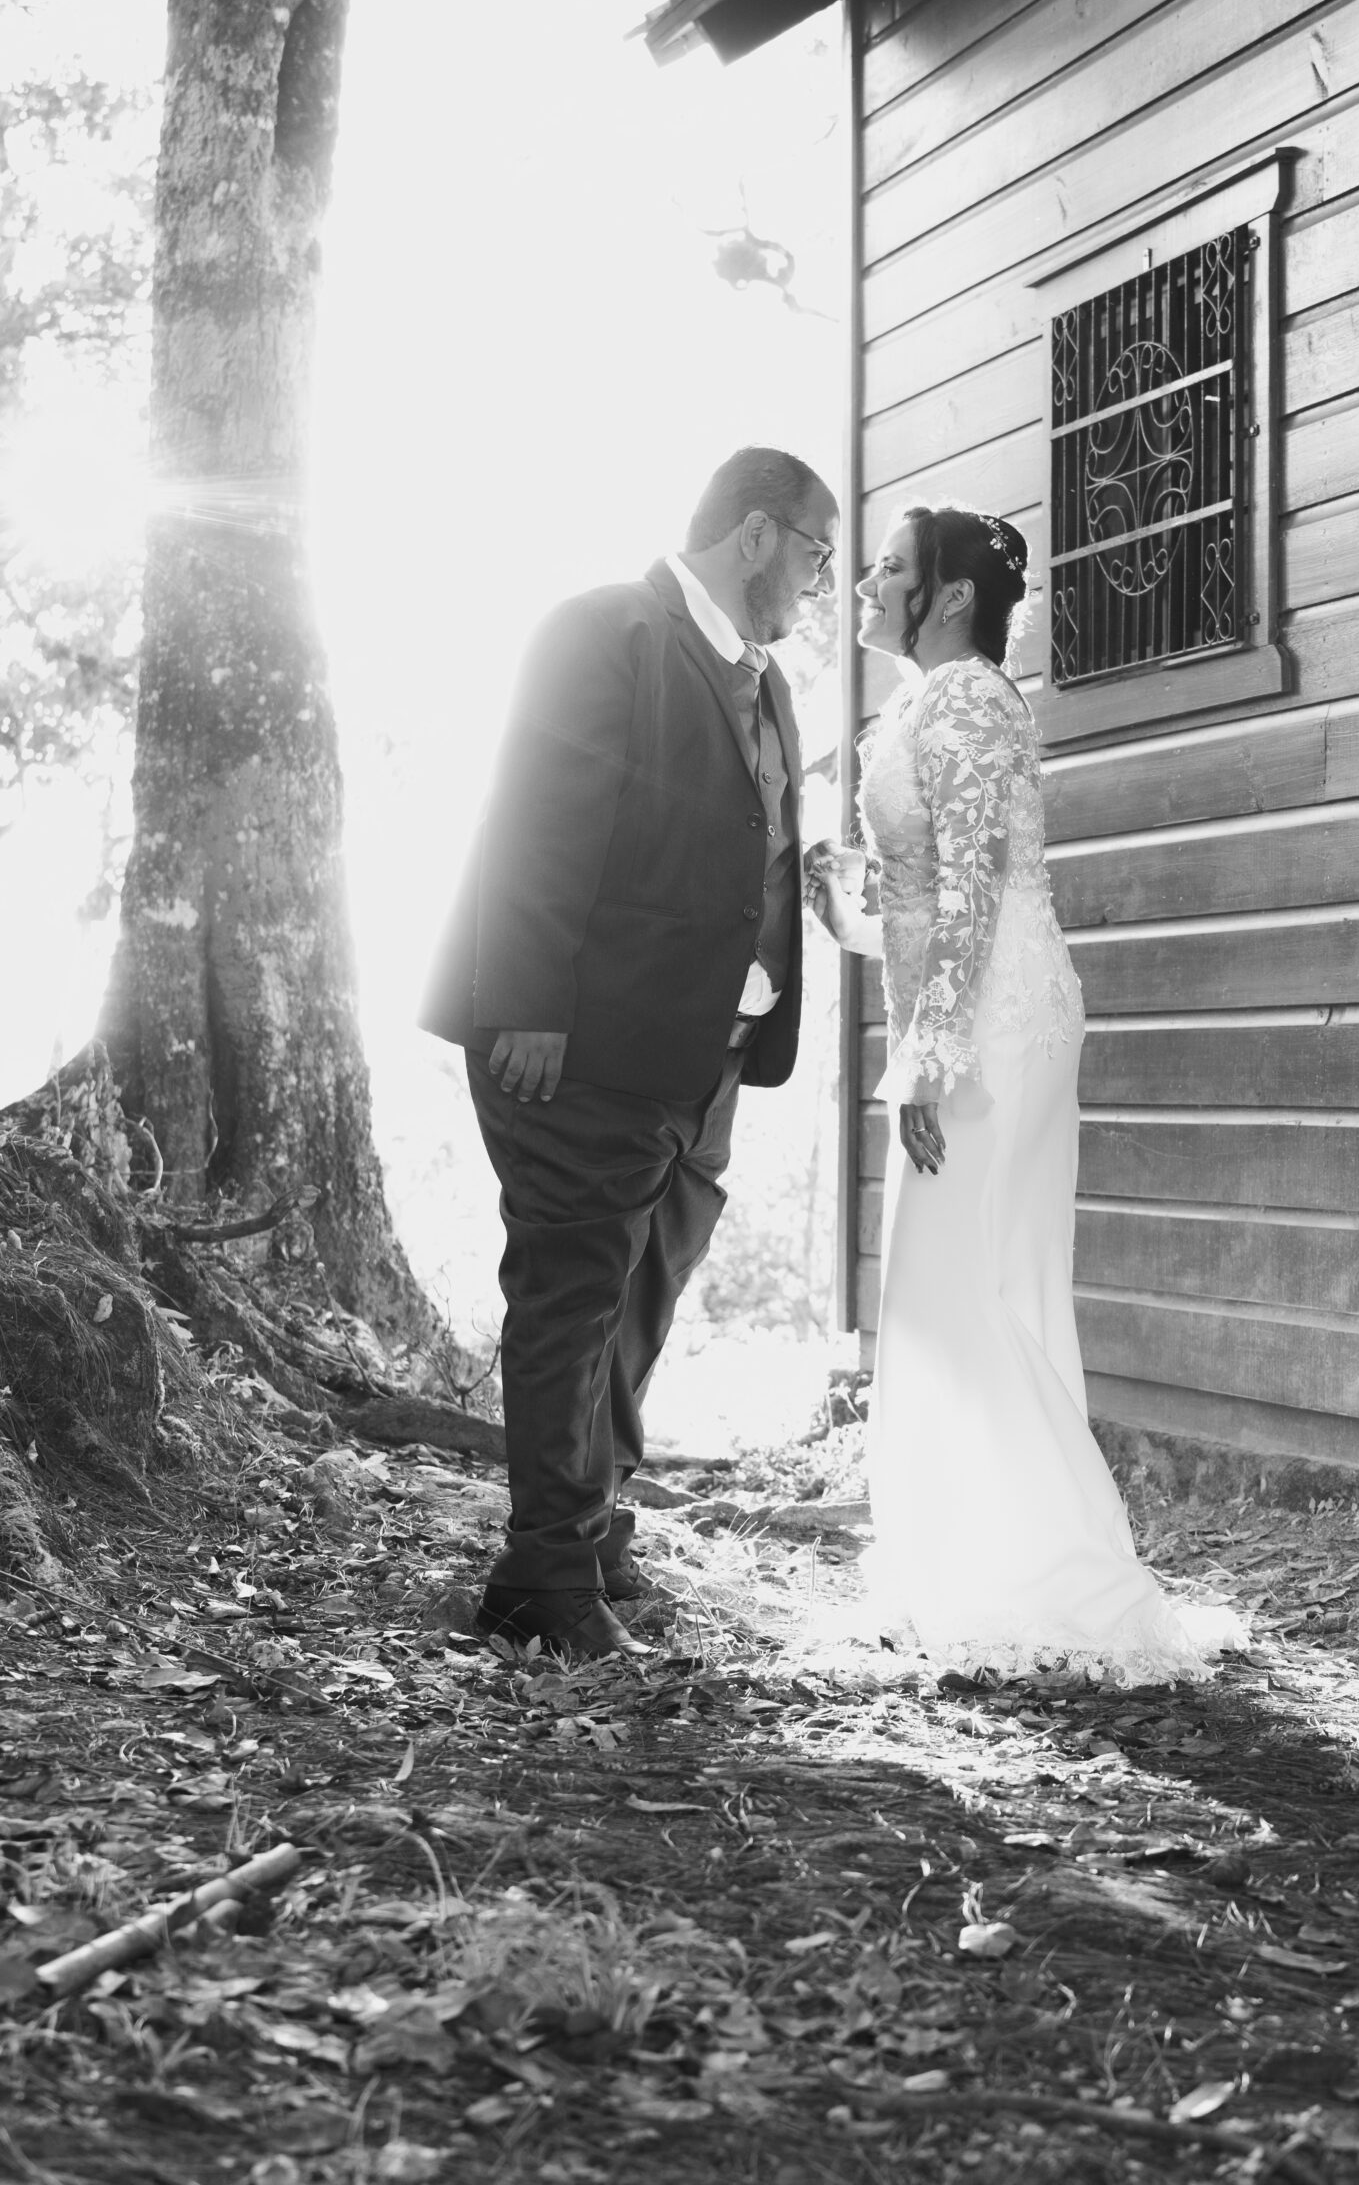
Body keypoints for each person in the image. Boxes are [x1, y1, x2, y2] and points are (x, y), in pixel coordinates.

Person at [810, 502, 1240, 1681]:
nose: (866, 584)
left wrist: (930, 1055)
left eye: (890, 568)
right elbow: (924, 901)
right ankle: (965, 1569)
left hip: (994, 1028)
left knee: (963, 1288)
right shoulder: (928, 702)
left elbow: (973, 896)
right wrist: (843, 914)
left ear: (950, 596)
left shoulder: (970, 705)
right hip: (977, 1007)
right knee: (960, 1285)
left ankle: (1058, 1578)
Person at [421, 446, 837, 1659]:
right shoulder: (606, 629)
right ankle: (542, 1581)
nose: (820, 583)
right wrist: (528, 1004)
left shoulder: (768, 679)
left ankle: (590, 1526)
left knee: (641, 1292)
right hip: (583, 1041)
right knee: (572, 1293)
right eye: (815, 553)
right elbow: (537, 821)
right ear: (755, 533)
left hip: (707, 1056)